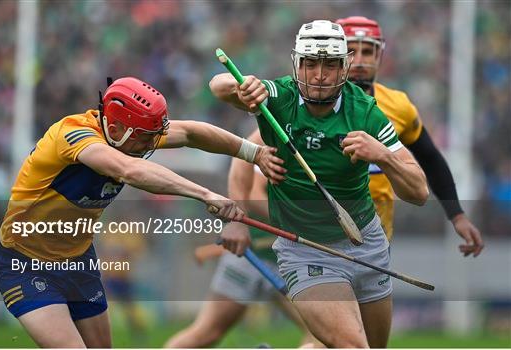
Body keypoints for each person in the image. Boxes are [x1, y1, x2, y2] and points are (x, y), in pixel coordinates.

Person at [0, 76, 285, 348]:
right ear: (115, 129)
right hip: (24, 263)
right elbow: (128, 170)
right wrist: (205, 194)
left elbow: (193, 133)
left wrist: (253, 152)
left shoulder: (134, 133)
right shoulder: (73, 136)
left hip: (78, 261)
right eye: (145, 139)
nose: (150, 145)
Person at [210, 20, 429, 348]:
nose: (319, 74)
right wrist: (241, 87)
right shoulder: (278, 97)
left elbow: (420, 192)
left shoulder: (365, 112)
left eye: (330, 64)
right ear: (297, 63)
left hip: (365, 242)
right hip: (305, 249)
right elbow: (218, 84)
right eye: (310, 63)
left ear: (345, 67)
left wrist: (382, 155)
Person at [335, 15, 484, 255]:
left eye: (368, 52)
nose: (360, 61)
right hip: (321, 240)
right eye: (350, 51)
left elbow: (430, 159)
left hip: (375, 244)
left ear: (380, 56)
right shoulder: (312, 103)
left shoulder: (398, 106)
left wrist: (457, 216)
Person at [165, 129, 315, 348]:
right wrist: (298, 223)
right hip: (249, 255)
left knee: (322, 335)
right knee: (206, 333)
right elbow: (253, 195)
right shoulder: (278, 137)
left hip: (291, 263)